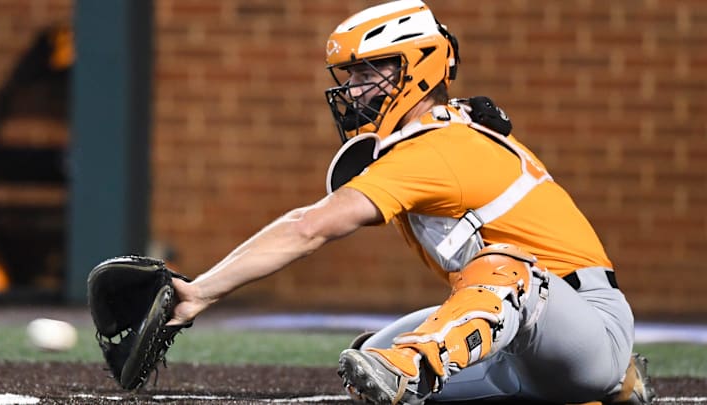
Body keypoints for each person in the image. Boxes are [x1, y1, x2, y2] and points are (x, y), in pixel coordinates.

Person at [168, 1, 655, 404]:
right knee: (368, 364)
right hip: (524, 346)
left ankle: (609, 376)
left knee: (491, 279)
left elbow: (310, 226)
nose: (355, 88)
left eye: (370, 70)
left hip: (587, 324)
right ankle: (610, 390)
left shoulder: (438, 148)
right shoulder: (433, 135)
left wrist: (200, 293)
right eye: (351, 73)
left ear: (419, 67)